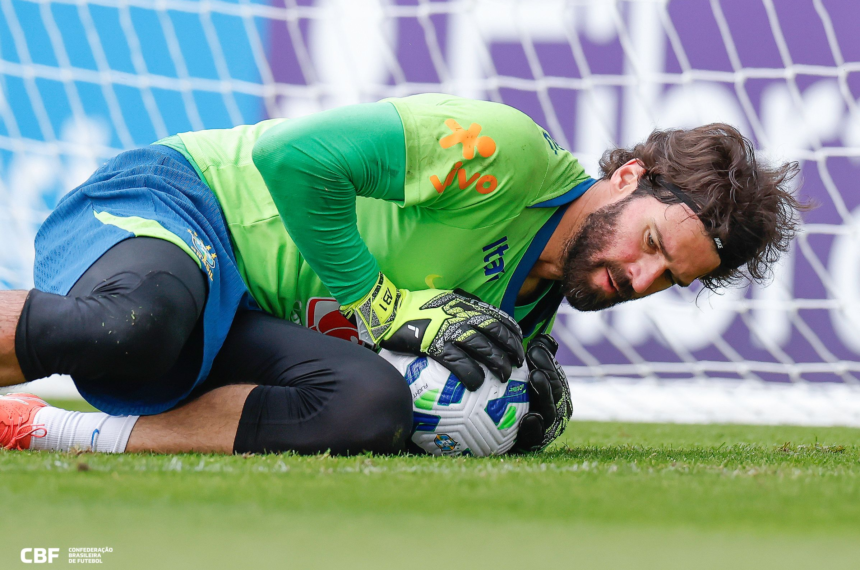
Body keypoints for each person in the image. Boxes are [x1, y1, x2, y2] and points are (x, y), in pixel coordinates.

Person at [0, 94, 803, 456]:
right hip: (186, 204)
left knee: (368, 407)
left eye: (669, 277)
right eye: (653, 242)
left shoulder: (522, 326)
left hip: (245, 315)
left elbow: (404, 395)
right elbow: (295, 159)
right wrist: (377, 303)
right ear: (628, 176)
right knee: (136, 327)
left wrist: (494, 420)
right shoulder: (504, 152)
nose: (640, 274)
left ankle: (46, 429)